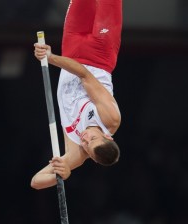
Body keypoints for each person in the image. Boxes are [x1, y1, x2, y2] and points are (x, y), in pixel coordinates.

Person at [31, 0, 122, 190]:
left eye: (88, 146)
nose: (86, 138)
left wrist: (62, 174)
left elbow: (36, 182)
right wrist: (51, 58)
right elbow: (84, 74)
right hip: (100, 52)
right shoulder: (110, 119)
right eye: (94, 139)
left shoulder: (76, 153)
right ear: (109, 137)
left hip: (72, 49)